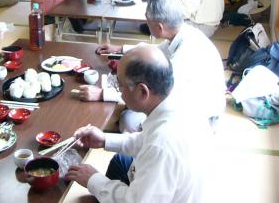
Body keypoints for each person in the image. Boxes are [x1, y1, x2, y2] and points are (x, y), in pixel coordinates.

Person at [66, 45, 216, 203]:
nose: (119, 92)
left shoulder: (162, 144)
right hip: (168, 186)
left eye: (119, 85)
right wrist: (104, 140)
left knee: (100, 181)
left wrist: (92, 179)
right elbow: (146, 139)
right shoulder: (179, 100)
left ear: (142, 91)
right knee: (120, 161)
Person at [83, 0, 225, 132]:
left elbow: (155, 93)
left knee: (130, 121)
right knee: (130, 108)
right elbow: (156, 50)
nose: (146, 24)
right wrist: (120, 48)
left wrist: (103, 94)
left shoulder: (184, 57)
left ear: (159, 27)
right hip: (186, 99)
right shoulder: (184, 32)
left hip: (199, 116)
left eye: (148, 22)